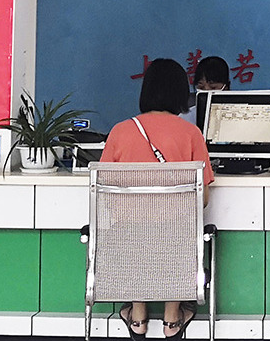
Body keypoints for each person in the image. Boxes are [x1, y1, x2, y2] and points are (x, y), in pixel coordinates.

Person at [100, 58, 212, 339]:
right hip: (176, 236)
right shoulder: (191, 133)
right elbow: (203, 198)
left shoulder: (120, 131)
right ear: (180, 93)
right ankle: (172, 317)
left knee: (135, 234)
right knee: (178, 231)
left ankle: (138, 315)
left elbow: (104, 191)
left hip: (126, 236)